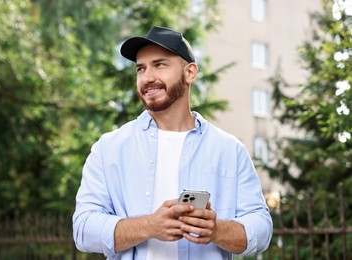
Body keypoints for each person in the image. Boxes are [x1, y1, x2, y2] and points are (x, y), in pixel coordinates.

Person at [73, 26, 273, 260]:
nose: (147, 78)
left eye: (159, 65)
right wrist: (149, 225)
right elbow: (83, 229)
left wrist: (217, 230)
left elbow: (261, 228)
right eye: (140, 68)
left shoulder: (229, 150)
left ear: (190, 72)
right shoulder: (108, 149)